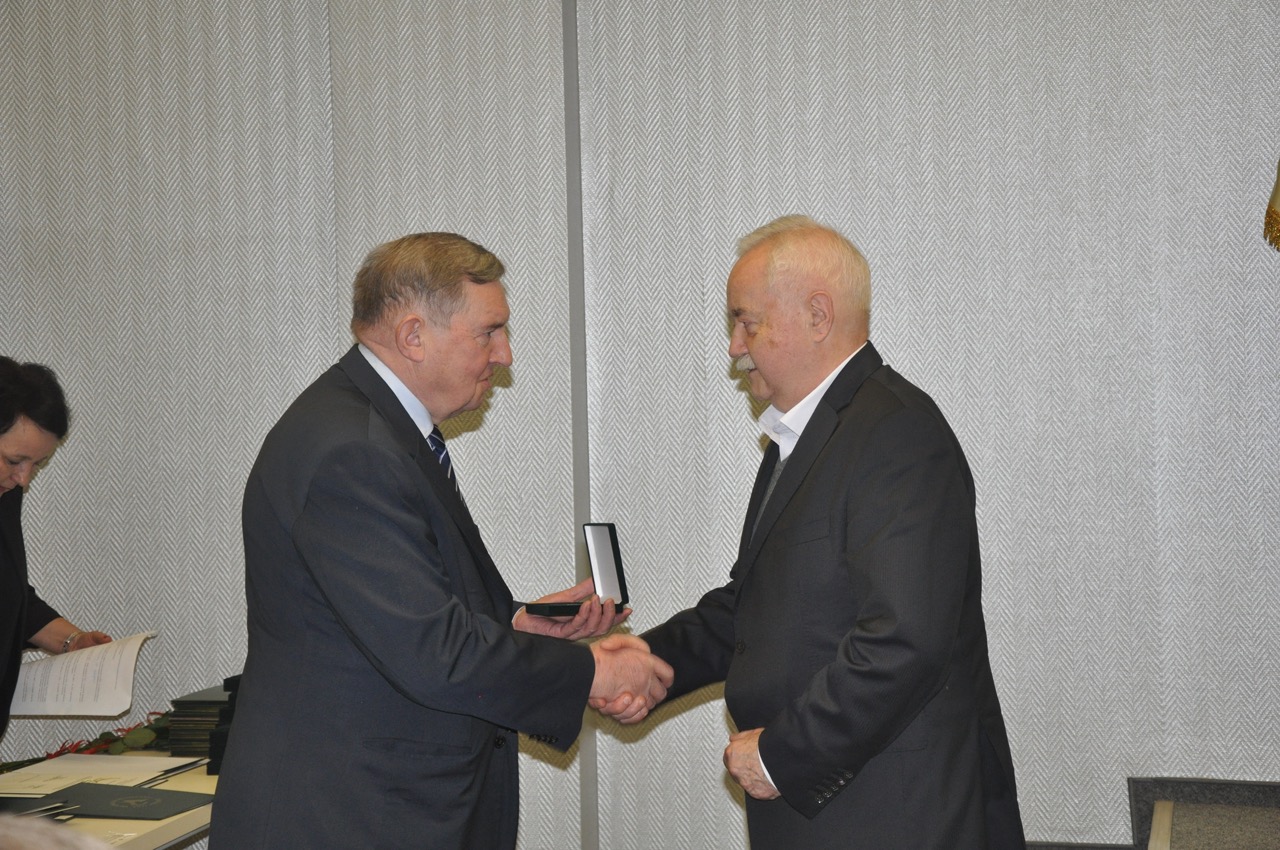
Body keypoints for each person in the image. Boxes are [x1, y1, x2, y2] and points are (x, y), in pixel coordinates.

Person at [210, 232, 673, 850]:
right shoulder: (353, 452)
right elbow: (431, 649)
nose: (505, 354)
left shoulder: (374, 430)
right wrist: (589, 671)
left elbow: (401, 613)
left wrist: (515, 623)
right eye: (489, 332)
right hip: (346, 815)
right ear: (413, 336)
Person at [599, 216, 1026, 848]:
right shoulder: (805, 439)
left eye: (747, 322)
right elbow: (753, 606)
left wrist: (783, 757)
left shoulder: (896, 433)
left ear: (818, 316)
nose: (734, 347)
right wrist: (650, 660)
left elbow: (905, 643)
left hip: (892, 819)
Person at [1, 357, 112, 742]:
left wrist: (72, 641)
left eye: (38, 464)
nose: (23, 479)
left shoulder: (5, 494)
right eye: (14, 461)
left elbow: (10, 596)